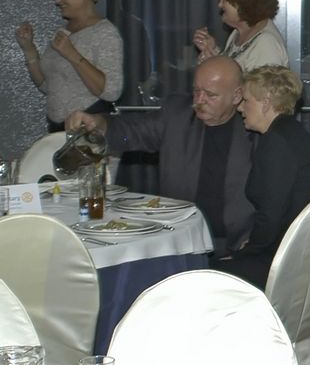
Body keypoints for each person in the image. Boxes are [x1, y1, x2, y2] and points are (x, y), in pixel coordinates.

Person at [66, 55, 254, 256]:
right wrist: (99, 124)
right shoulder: (177, 115)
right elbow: (131, 134)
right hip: (180, 239)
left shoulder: (254, 127)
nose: (199, 101)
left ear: (236, 96)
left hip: (237, 245)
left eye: (210, 95)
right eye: (196, 91)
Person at [217, 65, 310, 289]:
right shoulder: (290, 132)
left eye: (246, 100)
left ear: (266, 103)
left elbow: (271, 215)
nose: (240, 108)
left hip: (289, 262)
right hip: (303, 250)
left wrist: (247, 251)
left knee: (204, 271)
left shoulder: (276, 142)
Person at [16, 0, 124, 131]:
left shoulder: (105, 32)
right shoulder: (64, 31)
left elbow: (111, 92)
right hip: (57, 130)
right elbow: (47, 86)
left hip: (88, 131)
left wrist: (72, 54)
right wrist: (28, 48)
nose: (57, 1)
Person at [193, 0, 287, 72]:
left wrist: (215, 66)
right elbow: (233, 67)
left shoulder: (267, 44)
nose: (220, 4)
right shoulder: (237, 33)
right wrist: (213, 51)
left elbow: (261, 83)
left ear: (244, 3)